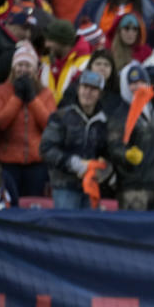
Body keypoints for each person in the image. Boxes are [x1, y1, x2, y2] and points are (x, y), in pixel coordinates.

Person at [0, 41, 56, 197]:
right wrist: (17, 98)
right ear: (13, 68)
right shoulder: (1, 91)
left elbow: (50, 124)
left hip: (36, 162)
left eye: (28, 66)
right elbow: (0, 122)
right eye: (20, 65)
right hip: (8, 161)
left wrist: (32, 99)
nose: (23, 69)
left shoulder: (45, 93)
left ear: (34, 70)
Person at [40, 70, 110, 209]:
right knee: (65, 228)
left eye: (93, 89)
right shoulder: (61, 116)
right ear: (78, 89)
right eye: (85, 87)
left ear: (100, 94)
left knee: (89, 230)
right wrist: (73, 163)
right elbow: (46, 149)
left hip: (92, 186)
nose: (88, 93)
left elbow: (108, 152)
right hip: (65, 186)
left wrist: (105, 170)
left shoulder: (104, 121)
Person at [108, 63, 154, 210]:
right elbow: (113, 147)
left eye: (141, 82)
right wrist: (126, 155)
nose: (137, 87)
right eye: (133, 83)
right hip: (133, 187)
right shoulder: (121, 115)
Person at [40, 19, 92, 104]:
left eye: (50, 40)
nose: (46, 44)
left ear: (62, 41)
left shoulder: (84, 65)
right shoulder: (46, 62)